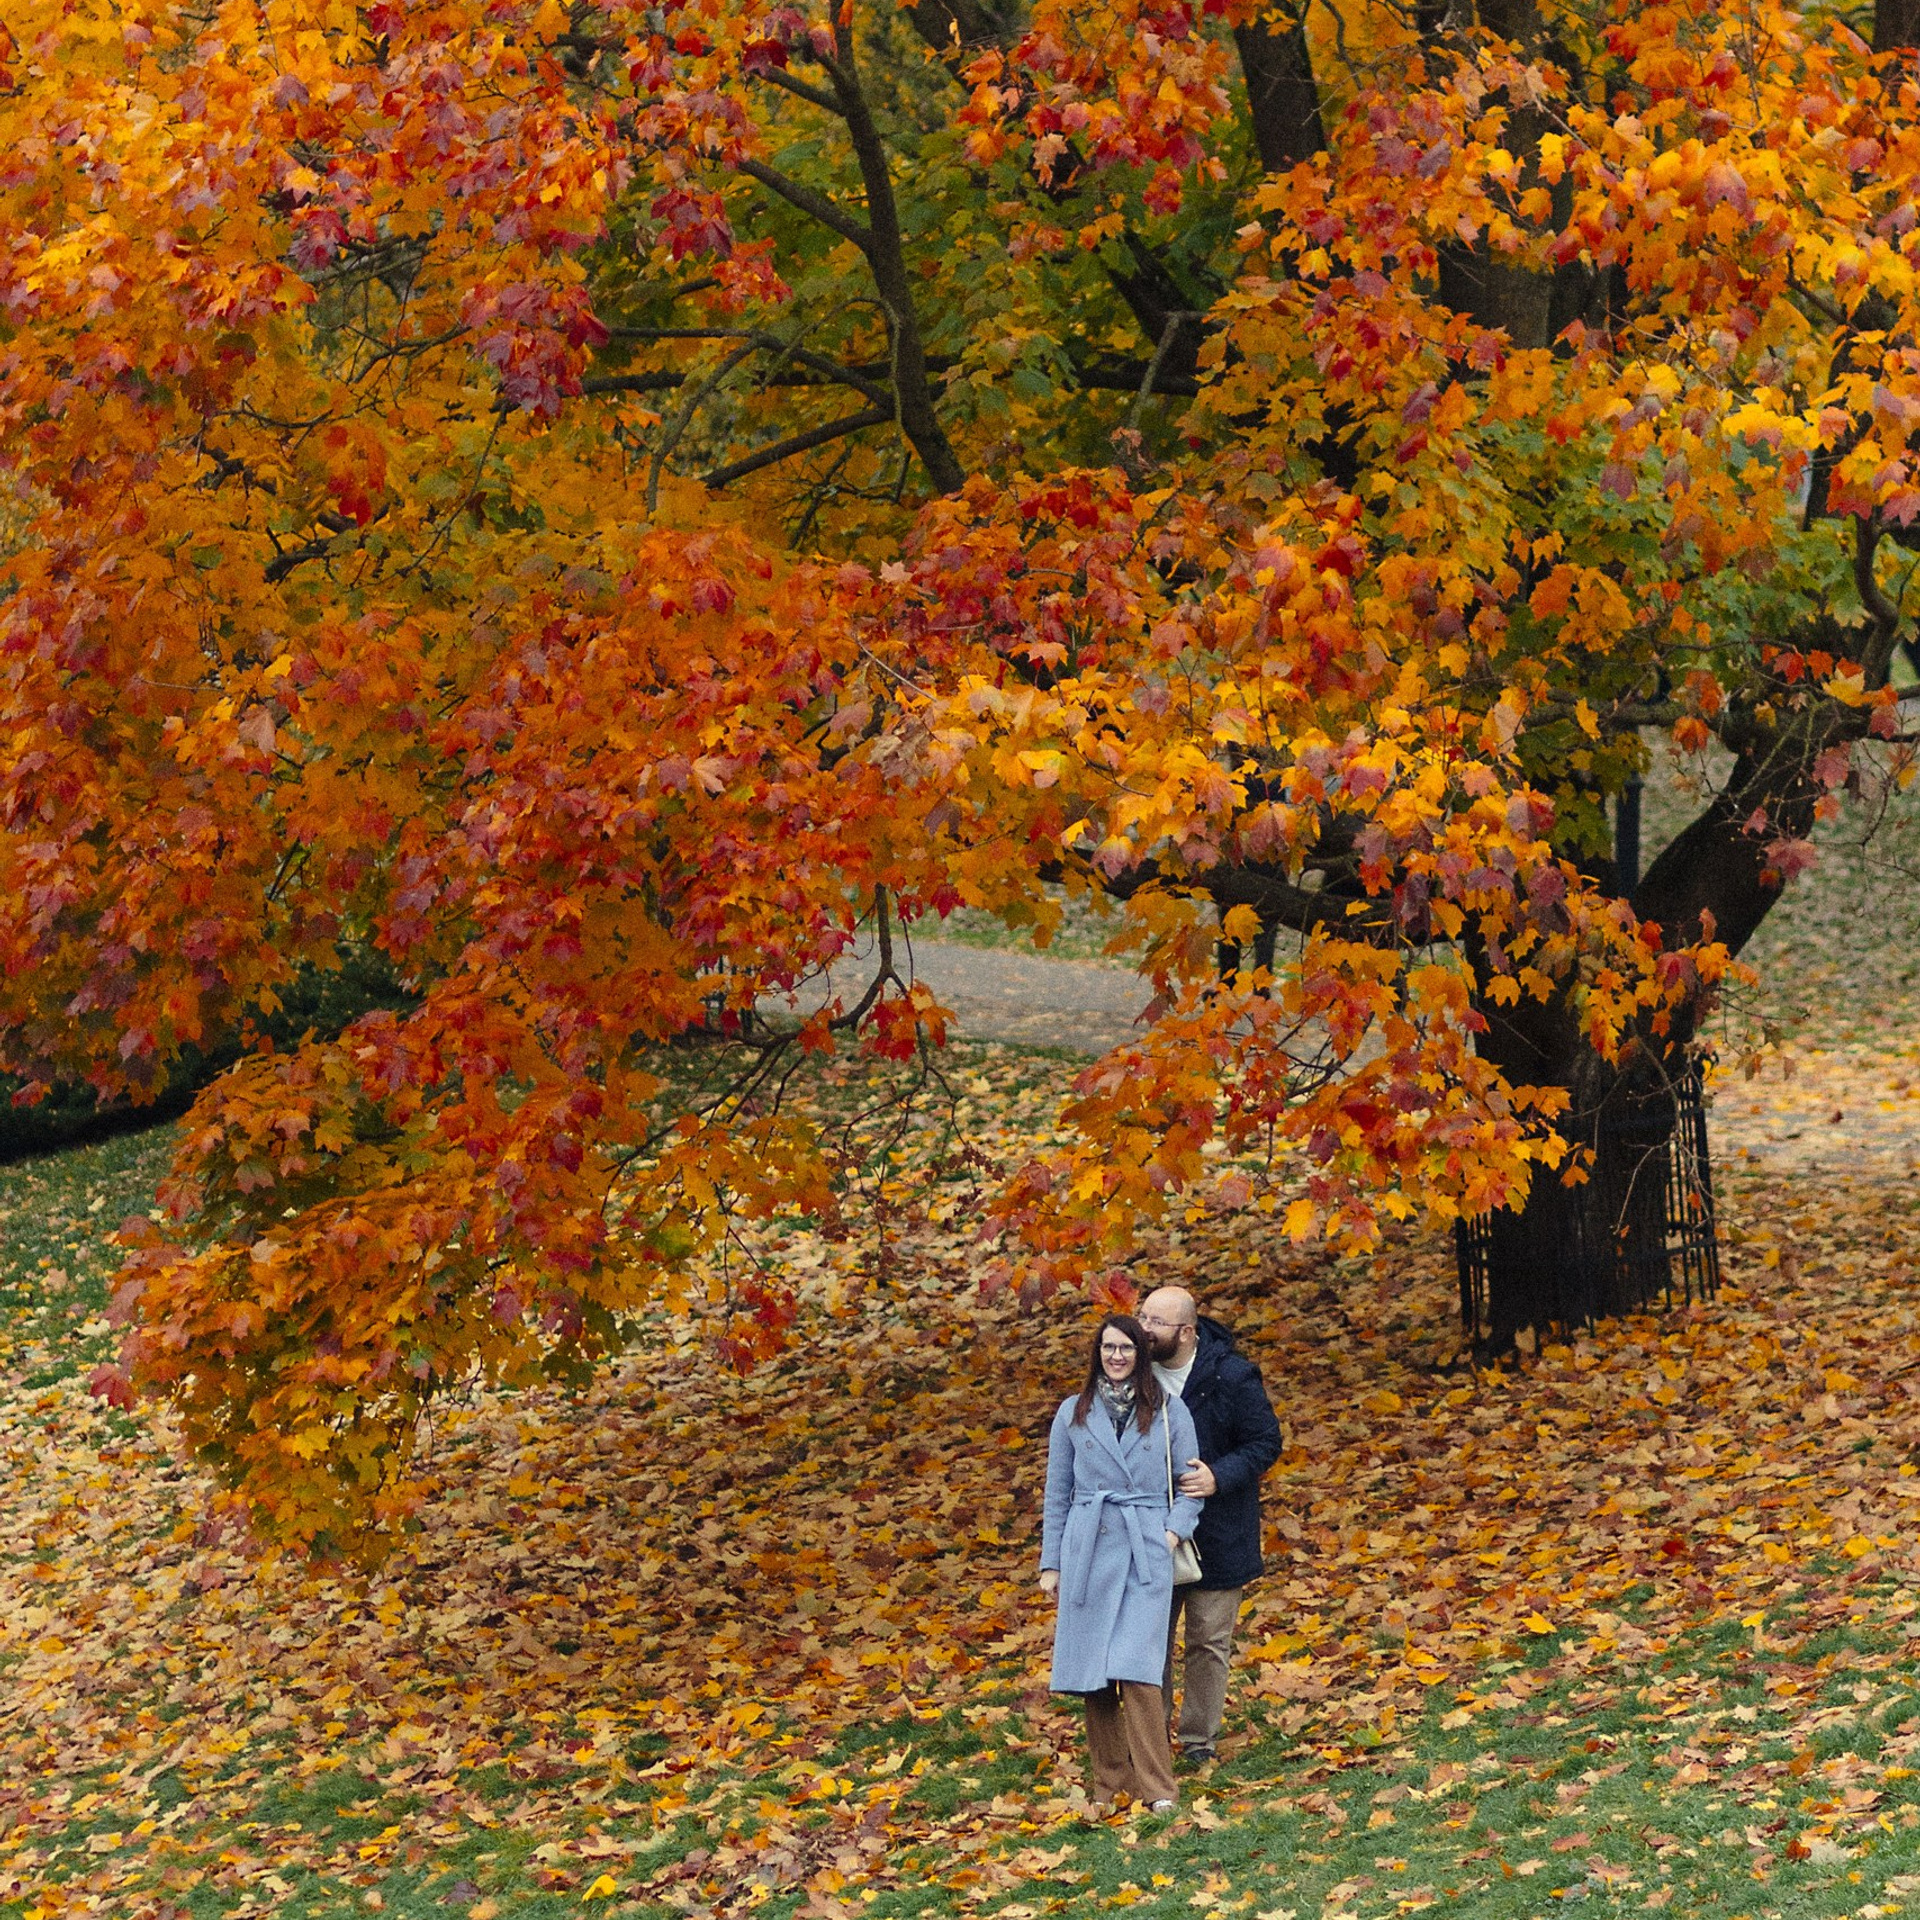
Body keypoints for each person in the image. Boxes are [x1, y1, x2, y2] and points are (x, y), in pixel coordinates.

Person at [1039, 1313, 1205, 1812]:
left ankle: (1158, 1788)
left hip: (1144, 1549)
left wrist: (1172, 1531)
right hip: (1088, 1548)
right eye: (1108, 1348)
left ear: (1140, 1354)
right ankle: (1110, 1784)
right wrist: (1052, 1563)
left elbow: (1191, 1484)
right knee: (1093, 1674)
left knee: (1138, 1671)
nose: (1116, 1356)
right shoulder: (1072, 1412)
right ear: (1098, 1353)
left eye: (1126, 1348)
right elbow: (1058, 1493)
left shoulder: (1170, 1410)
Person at [1139, 1285, 1282, 1764]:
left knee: (1208, 1643)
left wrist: (1218, 1476)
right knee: (1149, 1643)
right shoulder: (1132, 1374)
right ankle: (1150, 1741)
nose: (1144, 1329)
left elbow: (1265, 1442)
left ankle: (1199, 1741)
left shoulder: (1232, 1376)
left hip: (1221, 1532)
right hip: (1151, 1532)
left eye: (1156, 1322)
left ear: (1186, 1332)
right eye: (1142, 1317)